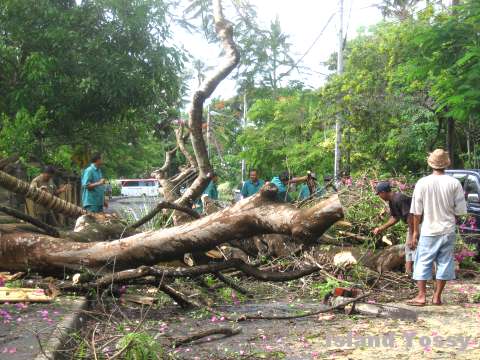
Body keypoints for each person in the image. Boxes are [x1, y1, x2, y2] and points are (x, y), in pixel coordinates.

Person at [407, 149, 467, 306]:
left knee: (422, 262)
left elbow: (416, 212)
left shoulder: (422, 182)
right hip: (447, 229)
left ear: (431, 164)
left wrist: (414, 233)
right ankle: (437, 297)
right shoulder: (454, 183)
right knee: (445, 262)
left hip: (428, 230)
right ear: (446, 164)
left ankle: (421, 296)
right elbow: (460, 211)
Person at [373, 181, 415, 274]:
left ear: (383, 192)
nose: (379, 196)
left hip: (419, 224)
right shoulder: (392, 201)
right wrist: (381, 228)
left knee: (414, 246)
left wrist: (413, 234)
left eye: (379, 194)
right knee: (409, 247)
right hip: (412, 225)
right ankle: (408, 272)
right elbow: (395, 217)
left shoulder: (399, 199)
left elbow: (410, 217)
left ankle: (426, 272)